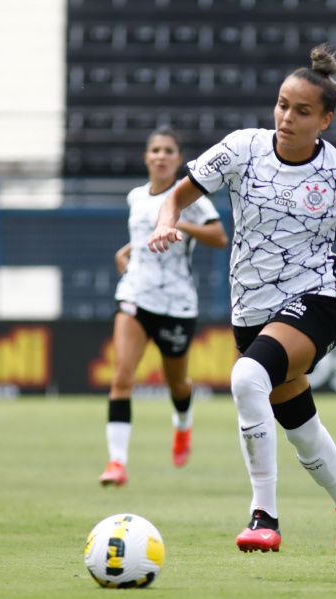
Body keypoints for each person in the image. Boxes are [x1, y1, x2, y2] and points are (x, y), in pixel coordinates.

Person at [148, 45, 336, 568]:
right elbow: (177, 196)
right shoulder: (242, 149)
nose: (286, 118)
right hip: (251, 310)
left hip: (316, 299)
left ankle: (263, 517)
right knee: (299, 429)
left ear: (325, 119)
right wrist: (166, 221)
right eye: (281, 105)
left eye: (300, 111)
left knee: (248, 379)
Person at [99, 125, 229, 488]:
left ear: (178, 159)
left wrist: (180, 223)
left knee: (178, 384)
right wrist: (126, 253)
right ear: (146, 157)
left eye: (168, 151)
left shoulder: (190, 198)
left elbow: (220, 237)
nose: (160, 156)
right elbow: (141, 238)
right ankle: (117, 463)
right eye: (155, 150)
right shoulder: (135, 197)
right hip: (136, 296)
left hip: (176, 303)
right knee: (123, 376)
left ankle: (182, 427)